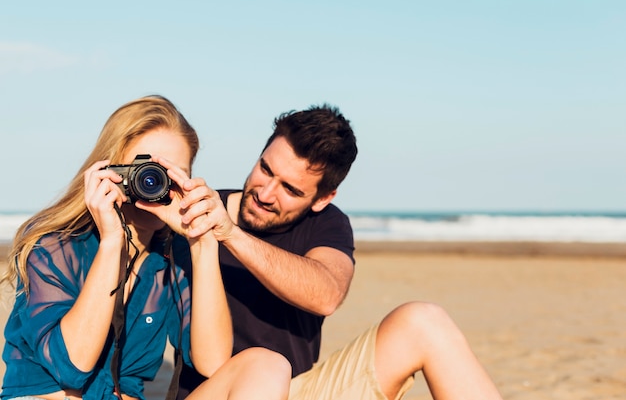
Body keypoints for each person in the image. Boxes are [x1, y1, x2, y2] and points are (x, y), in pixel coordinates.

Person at [175, 104, 503, 400]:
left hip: (299, 390)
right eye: (265, 169)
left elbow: (327, 293)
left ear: (322, 199)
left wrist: (232, 236)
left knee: (424, 321)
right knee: (265, 364)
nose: (266, 193)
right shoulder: (197, 214)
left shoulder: (326, 224)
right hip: (220, 391)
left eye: (290, 189)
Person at [0, 96, 291, 400]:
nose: (152, 184)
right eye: (144, 169)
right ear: (109, 168)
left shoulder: (171, 257)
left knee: (267, 365)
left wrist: (202, 244)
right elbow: (72, 367)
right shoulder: (56, 245)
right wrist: (113, 241)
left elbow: (214, 363)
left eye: (169, 174)